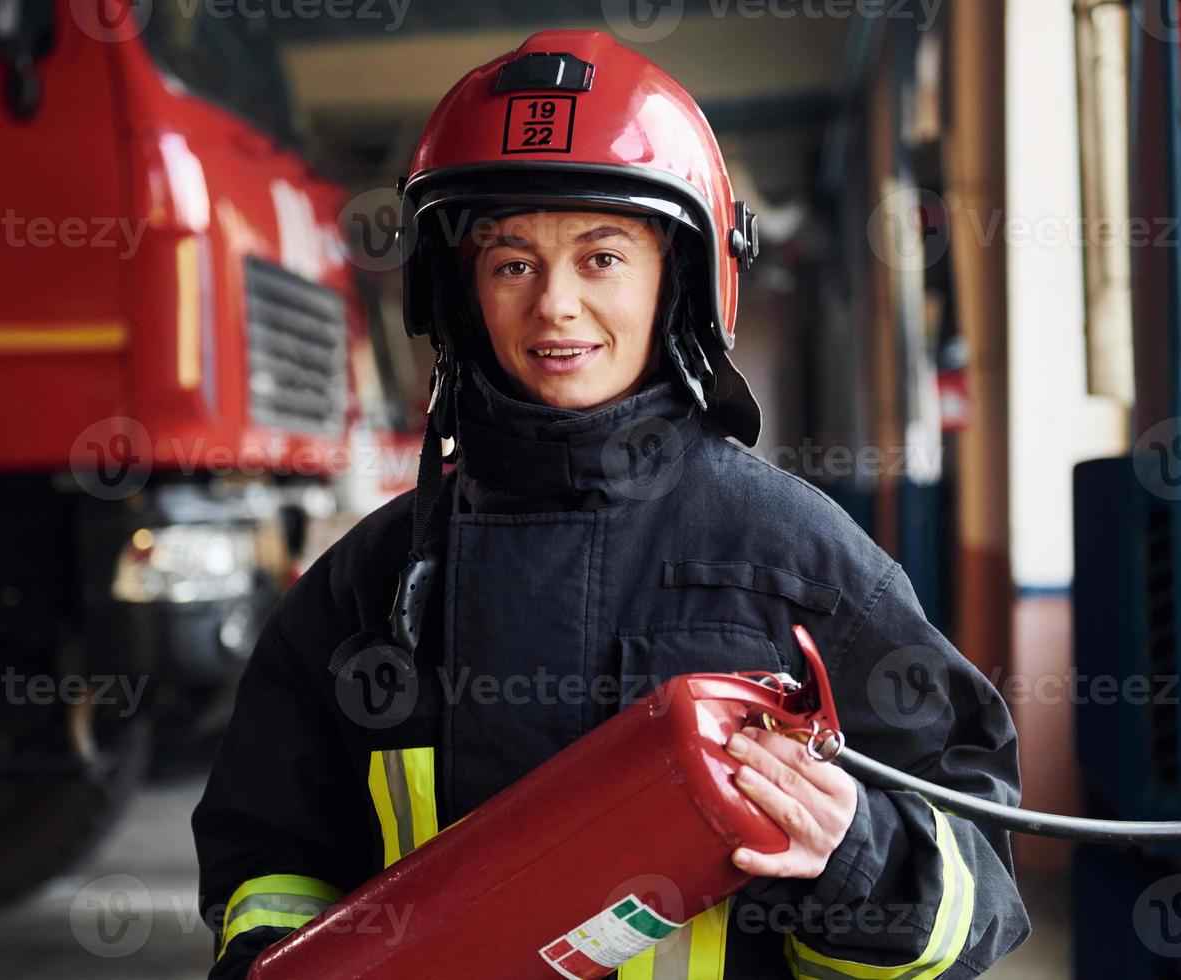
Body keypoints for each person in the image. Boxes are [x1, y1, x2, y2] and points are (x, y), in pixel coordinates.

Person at [193, 29, 1030, 979]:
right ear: (458, 293)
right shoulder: (366, 586)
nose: (553, 304)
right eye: (511, 263)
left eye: (601, 258)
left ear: (679, 281)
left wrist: (853, 854)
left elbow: (979, 894)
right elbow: (268, 852)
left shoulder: (800, 565)